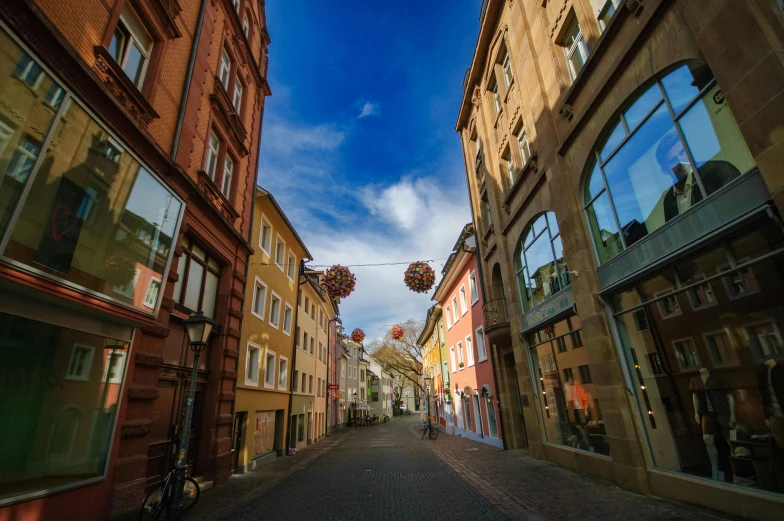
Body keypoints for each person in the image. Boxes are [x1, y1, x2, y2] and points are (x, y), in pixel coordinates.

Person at [654, 131, 741, 222]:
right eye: (673, 160)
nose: (681, 161)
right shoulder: (669, 199)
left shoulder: (718, 170)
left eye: (682, 152)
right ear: (664, 170)